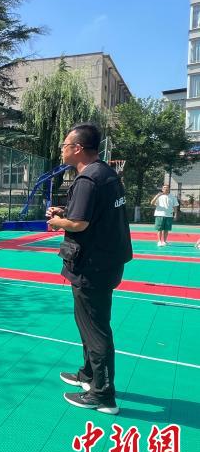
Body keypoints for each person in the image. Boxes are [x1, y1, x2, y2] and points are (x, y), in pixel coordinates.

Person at [47, 123, 132, 415]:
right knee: (89, 324)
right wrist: (65, 212)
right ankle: (89, 375)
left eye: (65, 145)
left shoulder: (87, 179)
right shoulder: (106, 174)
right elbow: (93, 214)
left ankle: (103, 394)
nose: (62, 149)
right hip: (107, 262)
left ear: (78, 148)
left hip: (92, 266)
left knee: (95, 329)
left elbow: (79, 224)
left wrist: (57, 222)